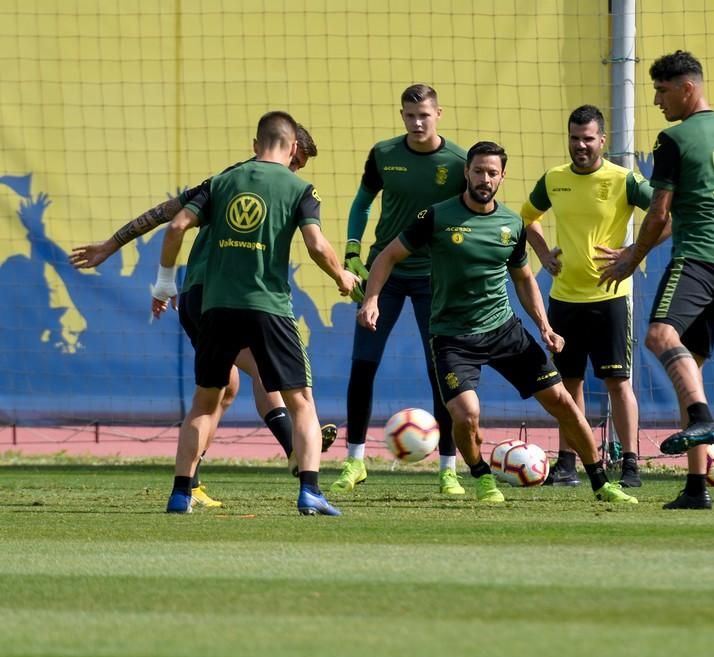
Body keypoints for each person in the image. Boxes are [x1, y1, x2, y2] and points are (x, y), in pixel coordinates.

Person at [358, 141, 638, 505]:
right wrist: (372, 298)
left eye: (492, 173)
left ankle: (601, 482)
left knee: (564, 402)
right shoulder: (436, 217)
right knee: (467, 413)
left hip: (505, 331)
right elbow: (388, 256)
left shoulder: (511, 224)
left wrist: (543, 326)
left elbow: (523, 279)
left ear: (502, 177)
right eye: (478, 171)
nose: (484, 178)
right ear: (467, 173)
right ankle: (480, 475)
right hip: (452, 338)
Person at [70, 125, 337, 507]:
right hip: (223, 295)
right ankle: (294, 451)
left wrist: (114, 246)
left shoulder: (223, 182)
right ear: (287, 148)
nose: (293, 170)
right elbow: (170, 217)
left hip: (203, 298)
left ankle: (189, 485)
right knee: (263, 377)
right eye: (295, 161)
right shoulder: (262, 187)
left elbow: (165, 216)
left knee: (225, 389)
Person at [598, 50, 714, 510]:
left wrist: (631, 257)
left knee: (659, 335)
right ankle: (697, 489)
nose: (657, 100)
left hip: (696, 261)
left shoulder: (673, 139)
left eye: (662, 90)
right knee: (690, 372)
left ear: (687, 88)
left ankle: (703, 418)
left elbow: (659, 211)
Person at [162, 110, 360, 515]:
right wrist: (342, 275)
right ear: (291, 148)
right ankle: (309, 492)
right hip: (268, 306)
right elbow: (317, 246)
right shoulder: (299, 188)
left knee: (204, 401)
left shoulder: (221, 182)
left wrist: (165, 281)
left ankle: (181, 494)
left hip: (216, 307)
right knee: (302, 400)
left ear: (256, 145)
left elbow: (176, 225)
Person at [332, 84, 468, 496]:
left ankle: (448, 469)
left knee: (440, 372)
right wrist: (353, 251)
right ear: (402, 115)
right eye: (409, 115)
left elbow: (471, 213)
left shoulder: (459, 161)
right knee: (363, 365)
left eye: (424, 114)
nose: (417, 122)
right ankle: (354, 463)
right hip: (384, 273)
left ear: (439, 113)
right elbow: (361, 203)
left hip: (434, 277)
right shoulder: (384, 154)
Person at [521, 104, 653, 488]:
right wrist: (543, 253)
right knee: (568, 384)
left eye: (588, 139)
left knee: (617, 383)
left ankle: (630, 463)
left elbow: (667, 215)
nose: (581, 146)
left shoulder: (624, 180)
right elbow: (527, 216)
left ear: (603, 140)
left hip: (610, 299)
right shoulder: (554, 179)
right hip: (564, 300)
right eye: (575, 138)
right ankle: (567, 464)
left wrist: (633, 253)